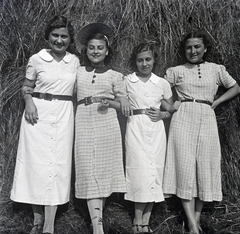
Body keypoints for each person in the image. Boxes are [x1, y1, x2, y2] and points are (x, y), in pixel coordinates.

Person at [162, 30, 240, 234]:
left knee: (205, 166)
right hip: (183, 117)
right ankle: (191, 224)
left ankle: (195, 220)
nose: (193, 51)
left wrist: (217, 102)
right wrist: (171, 107)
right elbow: (158, 91)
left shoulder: (216, 69)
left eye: (197, 46)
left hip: (207, 116)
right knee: (185, 166)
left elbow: (235, 87)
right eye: (188, 47)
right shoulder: (175, 71)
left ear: (205, 48)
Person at [10, 16, 80, 234]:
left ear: (70, 39)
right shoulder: (37, 59)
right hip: (37, 115)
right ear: (48, 36)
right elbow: (27, 86)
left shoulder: (75, 61)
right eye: (55, 35)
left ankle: (49, 225)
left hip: (63, 114)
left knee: (57, 165)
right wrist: (29, 102)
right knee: (37, 164)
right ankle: (37, 218)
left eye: (64, 36)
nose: (59, 40)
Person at [74, 23, 131, 234]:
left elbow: (123, 103)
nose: (95, 52)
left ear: (107, 51)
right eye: (91, 48)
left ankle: (97, 223)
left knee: (104, 169)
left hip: (107, 123)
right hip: (84, 121)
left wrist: (116, 102)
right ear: (86, 50)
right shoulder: (78, 72)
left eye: (99, 48)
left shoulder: (116, 76)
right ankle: (96, 221)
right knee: (88, 168)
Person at [124, 42, 173, 234]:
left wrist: (163, 115)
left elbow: (170, 107)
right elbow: (120, 98)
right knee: (139, 171)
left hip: (156, 129)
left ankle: (146, 221)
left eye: (148, 59)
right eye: (140, 60)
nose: (144, 64)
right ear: (135, 62)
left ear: (154, 60)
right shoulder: (127, 80)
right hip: (135, 127)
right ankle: (137, 220)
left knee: (154, 171)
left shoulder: (161, 82)